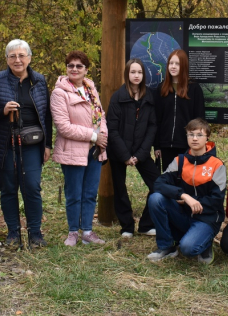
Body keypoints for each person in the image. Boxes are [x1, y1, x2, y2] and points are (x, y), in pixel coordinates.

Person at [0, 39, 52, 249]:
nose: (17, 60)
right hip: (4, 143)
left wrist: (48, 145)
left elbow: (46, 115)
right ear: (6, 59)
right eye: (12, 56)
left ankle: (35, 233)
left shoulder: (39, 81)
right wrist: (3, 111)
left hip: (32, 143)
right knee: (8, 188)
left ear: (29, 58)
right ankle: (13, 232)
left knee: (32, 187)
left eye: (22, 55)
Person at [146, 118, 226, 264]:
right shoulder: (180, 161)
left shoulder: (217, 164)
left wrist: (192, 202)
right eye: (190, 135)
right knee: (156, 198)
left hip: (206, 219)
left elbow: (216, 200)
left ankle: (206, 242)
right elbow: (158, 184)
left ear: (207, 137)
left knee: (188, 249)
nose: (194, 139)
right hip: (183, 214)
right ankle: (167, 246)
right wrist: (184, 196)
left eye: (199, 135)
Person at [51, 50, 108, 247]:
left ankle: (88, 232)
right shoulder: (59, 93)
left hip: (94, 151)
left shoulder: (91, 89)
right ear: (66, 69)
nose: (74, 69)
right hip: (73, 151)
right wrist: (93, 136)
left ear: (86, 70)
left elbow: (100, 117)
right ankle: (73, 232)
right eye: (71, 66)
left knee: (90, 193)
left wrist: (103, 136)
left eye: (79, 66)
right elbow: (63, 126)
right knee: (74, 194)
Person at [106, 58, 158, 237]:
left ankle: (146, 224)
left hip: (140, 152)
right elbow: (111, 129)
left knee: (157, 184)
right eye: (133, 72)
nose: (136, 76)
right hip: (119, 153)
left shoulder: (149, 97)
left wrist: (140, 154)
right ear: (127, 74)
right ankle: (127, 226)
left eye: (140, 72)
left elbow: (152, 127)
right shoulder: (117, 97)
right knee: (120, 189)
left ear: (144, 75)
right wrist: (125, 155)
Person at [154, 50, 205, 170]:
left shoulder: (194, 89)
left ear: (184, 65)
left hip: (187, 145)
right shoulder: (161, 89)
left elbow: (200, 119)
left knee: (186, 180)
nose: (173, 66)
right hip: (166, 145)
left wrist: (197, 143)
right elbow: (156, 119)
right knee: (169, 180)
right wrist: (157, 146)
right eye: (171, 63)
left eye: (177, 63)